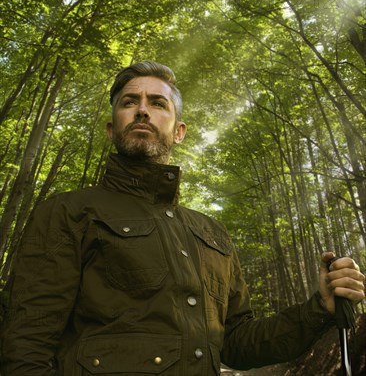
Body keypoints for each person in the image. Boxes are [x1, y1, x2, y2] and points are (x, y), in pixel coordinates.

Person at [1, 61, 365, 375]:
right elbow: (26, 345)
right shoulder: (67, 211)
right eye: (130, 102)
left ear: (179, 132)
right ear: (112, 129)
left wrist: (320, 308)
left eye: (157, 103)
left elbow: (238, 343)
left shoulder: (212, 232)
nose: (142, 110)